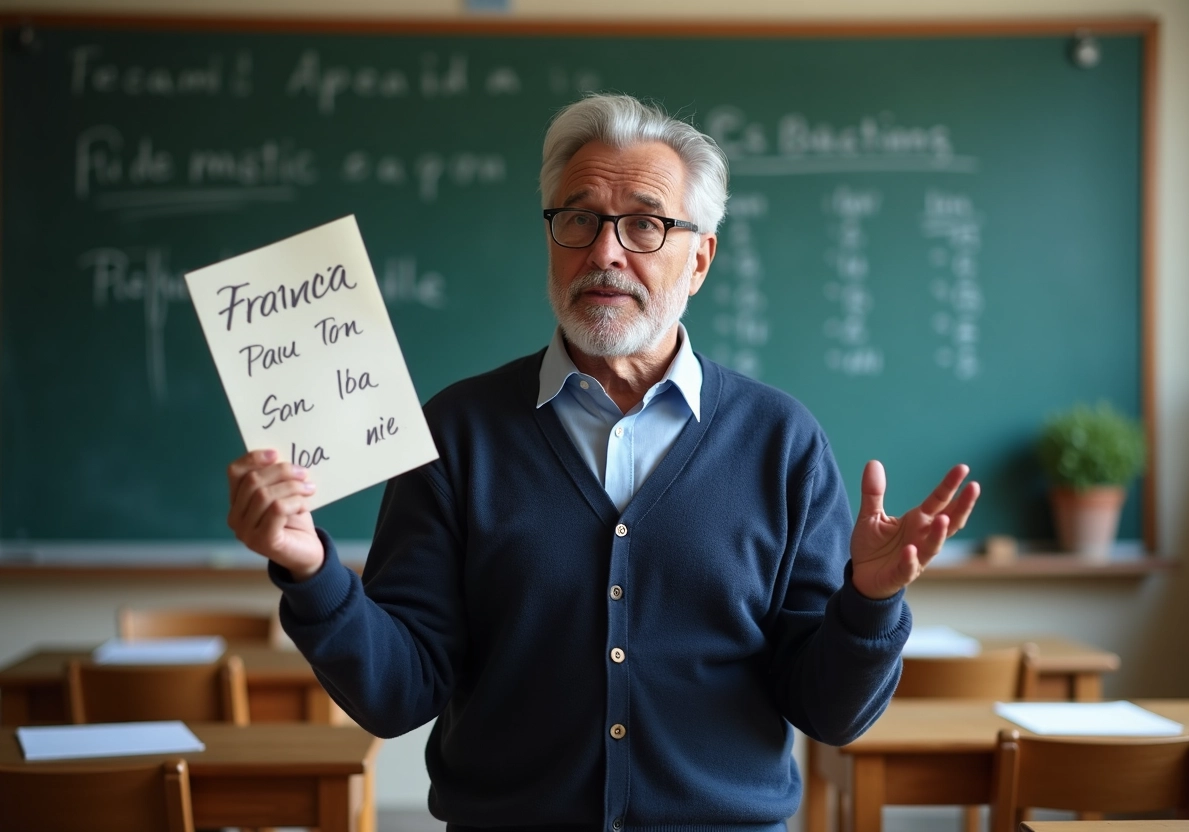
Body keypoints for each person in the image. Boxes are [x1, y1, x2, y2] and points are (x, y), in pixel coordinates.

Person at [226, 93, 980, 831]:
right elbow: (398, 694)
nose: (605, 252)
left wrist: (870, 603)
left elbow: (829, 713)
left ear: (700, 260)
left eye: (645, 224)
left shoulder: (781, 441)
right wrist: (310, 569)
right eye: (579, 219)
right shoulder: (458, 431)